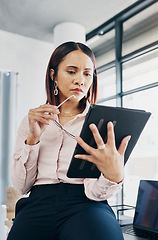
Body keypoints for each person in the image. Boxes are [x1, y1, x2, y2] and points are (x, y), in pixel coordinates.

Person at [7, 41, 131, 240]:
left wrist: (113, 175)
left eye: (87, 74)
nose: (80, 80)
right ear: (53, 75)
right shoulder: (31, 121)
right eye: (72, 71)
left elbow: (96, 193)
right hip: (38, 201)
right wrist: (33, 139)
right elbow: (22, 187)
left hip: (86, 202)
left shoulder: (103, 125)